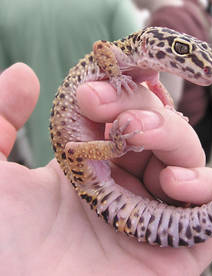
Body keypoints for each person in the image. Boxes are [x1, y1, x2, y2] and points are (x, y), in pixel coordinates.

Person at [0, 63, 212, 275]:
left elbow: (155, 84)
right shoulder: (116, 57)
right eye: (182, 52)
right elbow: (102, 48)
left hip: (88, 178)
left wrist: (169, 109)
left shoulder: (145, 71)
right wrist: (113, 147)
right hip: (80, 161)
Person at [0, 0, 142, 167]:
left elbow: (7, 87)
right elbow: (140, 68)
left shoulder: (5, 8)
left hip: (44, 161)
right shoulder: (114, 3)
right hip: (114, 157)